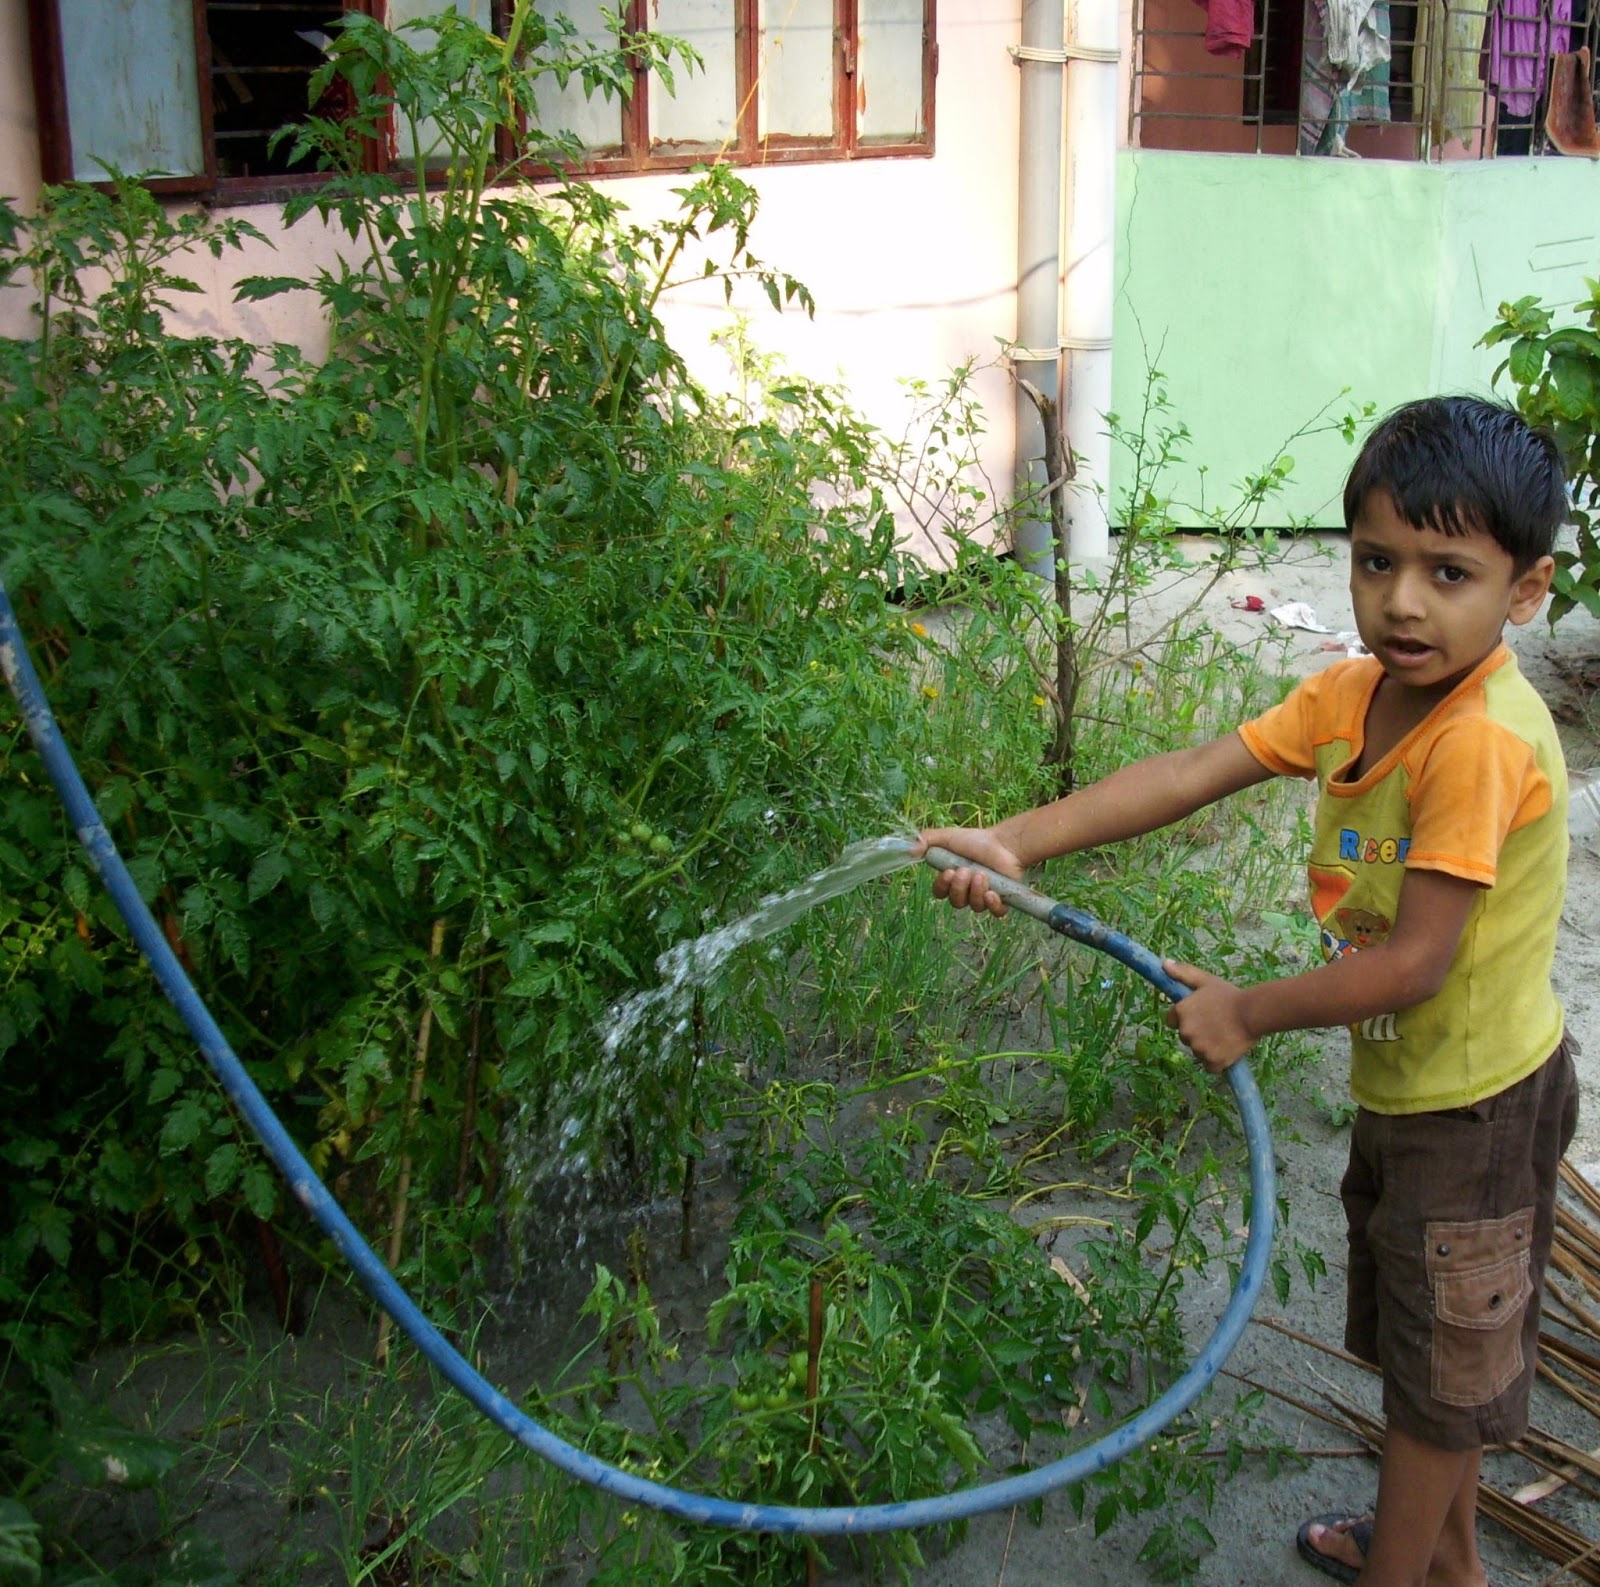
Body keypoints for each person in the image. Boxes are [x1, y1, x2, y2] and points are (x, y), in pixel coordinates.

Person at [916, 395, 1578, 1587]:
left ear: (1523, 592)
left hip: (1475, 1112)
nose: (1404, 602)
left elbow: (1415, 962)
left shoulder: (1477, 742)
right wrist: (1015, 841)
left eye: (1449, 572)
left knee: (1438, 1390)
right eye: (1378, 563)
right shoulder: (1352, 695)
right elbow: (1186, 771)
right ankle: (1450, 1565)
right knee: (1432, 1361)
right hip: (1417, 1085)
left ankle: (1407, 1570)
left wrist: (1248, 1009)